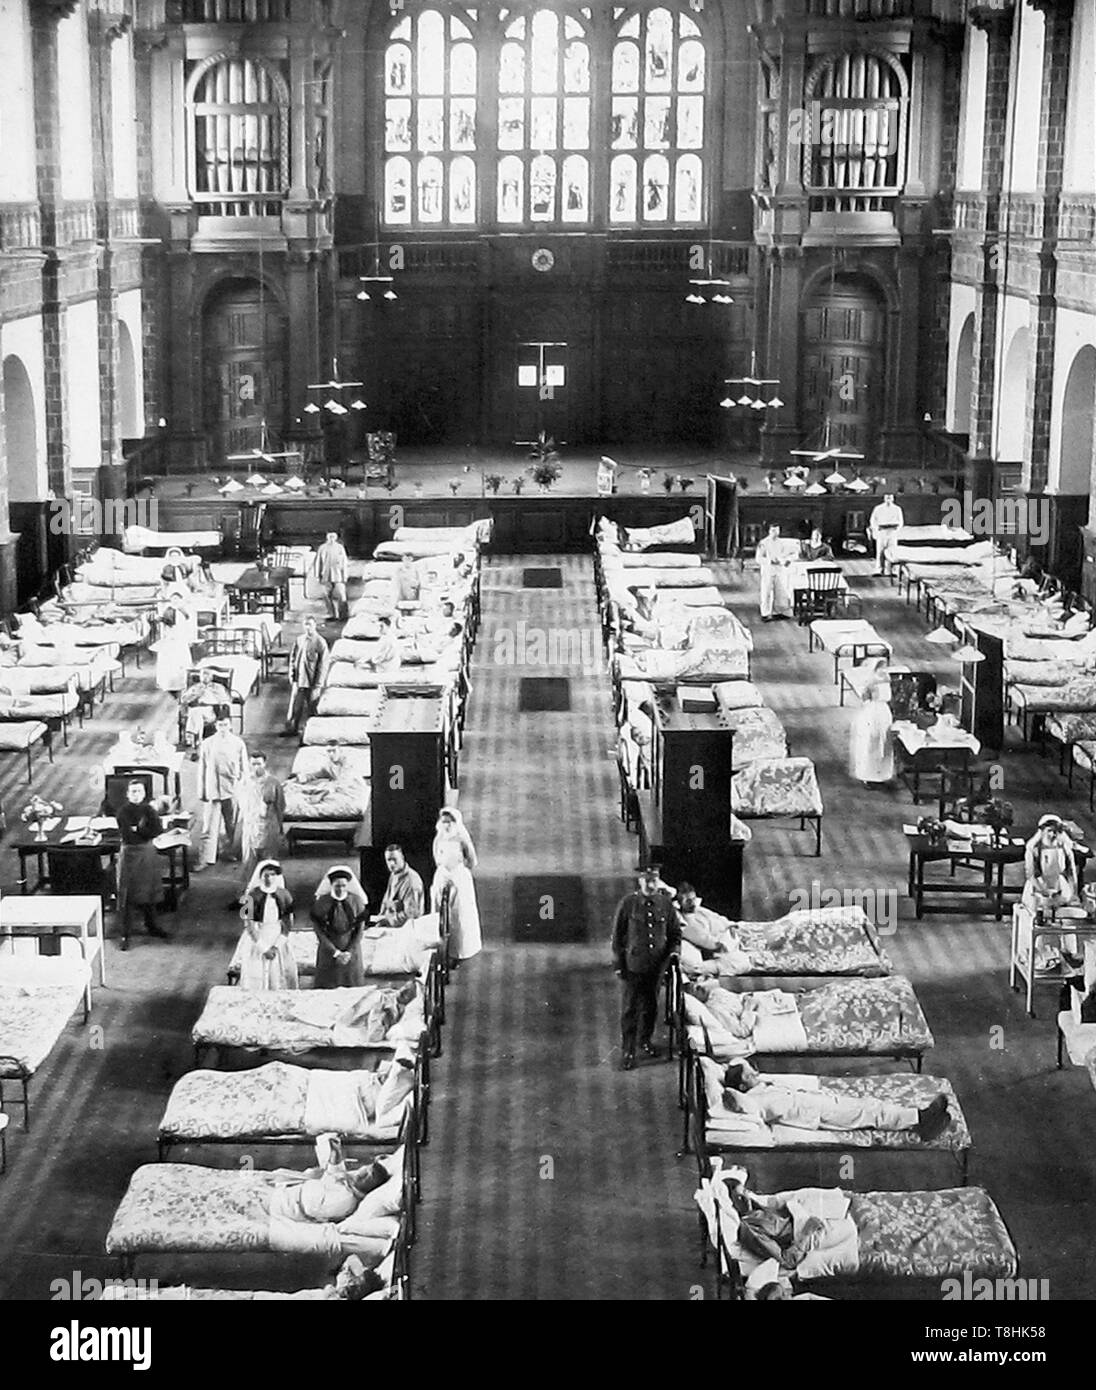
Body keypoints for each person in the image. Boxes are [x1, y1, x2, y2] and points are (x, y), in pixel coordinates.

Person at [723, 1060, 951, 1142]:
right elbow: (736, 1102)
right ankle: (921, 1119)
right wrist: (727, 1090)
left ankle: (919, 1116)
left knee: (867, 1104)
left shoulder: (762, 1085)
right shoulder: (752, 1100)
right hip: (815, 1113)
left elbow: (738, 1062)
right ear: (742, 1087)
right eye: (748, 1075)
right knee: (869, 1110)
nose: (754, 1073)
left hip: (816, 1102)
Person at [611, 864, 682, 1070]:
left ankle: (645, 1041)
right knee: (630, 1009)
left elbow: (675, 934)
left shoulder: (665, 904)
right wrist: (618, 964)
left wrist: (674, 954)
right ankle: (628, 1050)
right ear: (640, 881)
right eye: (647, 881)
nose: (651, 885)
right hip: (634, 966)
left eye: (654, 881)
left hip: (656, 967)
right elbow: (617, 937)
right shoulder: (628, 904)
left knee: (650, 1006)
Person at [193, 710, 248, 872]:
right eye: (219, 725)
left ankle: (227, 850)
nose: (223, 728)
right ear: (215, 726)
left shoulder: (238, 743)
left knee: (230, 824)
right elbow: (202, 768)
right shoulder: (208, 743)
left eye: (225, 725)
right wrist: (201, 790)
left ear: (230, 725)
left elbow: (244, 767)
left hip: (232, 789)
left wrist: (244, 788)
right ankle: (205, 858)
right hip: (212, 789)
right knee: (209, 825)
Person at [229, 859, 298, 990]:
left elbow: (288, 922)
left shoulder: (285, 895)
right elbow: (248, 925)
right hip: (258, 937)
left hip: (277, 937)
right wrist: (263, 947)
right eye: (266, 875)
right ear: (260, 876)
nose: (269, 878)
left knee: (278, 975)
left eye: (272, 875)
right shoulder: (251, 896)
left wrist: (277, 945)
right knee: (256, 975)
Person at [117, 779, 168, 948]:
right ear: (127, 794)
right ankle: (125, 933)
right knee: (127, 894)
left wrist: (138, 829)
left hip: (147, 854)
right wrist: (142, 832)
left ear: (144, 793)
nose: (136, 795)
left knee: (150, 892)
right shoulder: (123, 811)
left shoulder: (149, 810)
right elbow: (127, 835)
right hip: (130, 855)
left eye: (139, 791)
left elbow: (157, 830)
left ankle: (152, 925)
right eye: (133, 791)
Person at [431, 809, 482, 963]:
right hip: (443, 876)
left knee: (459, 914)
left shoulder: (462, 839)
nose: (446, 825)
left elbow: (472, 861)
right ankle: (439, 951)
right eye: (444, 821)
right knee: (438, 912)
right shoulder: (439, 838)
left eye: (450, 822)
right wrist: (444, 872)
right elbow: (436, 856)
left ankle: (459, 952)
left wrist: (457, 872)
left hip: (459, 878)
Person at [311, 866, 369, 988]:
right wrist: (335, 952)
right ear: (331, 885)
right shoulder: (322, 903)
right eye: (337, 886)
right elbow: (319, 931)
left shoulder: (356, 901)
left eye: (344, 886)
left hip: (351, 951)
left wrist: (348, 951)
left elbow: (359, 930)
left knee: (352, 986)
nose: (341, 889)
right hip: (328, 951)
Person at [236, 750, 286, 890]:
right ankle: (245, 896)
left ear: (264, 764)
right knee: (248, 863)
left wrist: (280, 828)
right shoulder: (245, 782)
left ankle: (272, 893)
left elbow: (280, 806)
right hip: (251, 826)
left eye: (258, 764)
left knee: (269, 863)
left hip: (269, 826)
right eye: (253, 764)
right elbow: (240, 804)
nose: (256, 767)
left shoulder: (273, 783)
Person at [1022, 814, 1080, 916]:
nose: (1052, 835)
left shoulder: (1064, 848)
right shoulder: (1033, 848)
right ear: (1042, 831)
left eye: (1055, 832)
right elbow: (1030, 874)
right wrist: (1043, 891)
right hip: (1038, 886)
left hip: (1059, 886)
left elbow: (1071, 871)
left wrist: (1073, 891)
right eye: (1049, 831)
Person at [849, 656, 894, 786]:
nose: (883, 670)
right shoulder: (871, 682)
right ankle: (867, 775)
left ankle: (882, 774)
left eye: (884, 667)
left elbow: (888, 696)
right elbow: (865, 697)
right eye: (880, 667)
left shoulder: (887, 679)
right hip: (872, 713)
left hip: (884, 712)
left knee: (883, 743)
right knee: (870, 743)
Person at [285, 615, 328, 736]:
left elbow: (323, 665)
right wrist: (292, 676)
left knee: (312, 708)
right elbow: (293, 659)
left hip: (312, 682)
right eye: (306, 625)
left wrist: (318, 684)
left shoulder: (320, 642)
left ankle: (312, 733)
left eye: (310, 624)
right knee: (295, 707)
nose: (308, 627)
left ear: (315, 625)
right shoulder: (299, 640)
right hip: (299, 681)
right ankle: (292, 729)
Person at [179, 667, 232, 757]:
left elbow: (226, 700)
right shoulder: (195, 687)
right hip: (197, 710)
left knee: (195, 713)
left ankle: (192, 740)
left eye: (207, 674)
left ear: (211, 677)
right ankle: (199, 746)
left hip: (211, 710)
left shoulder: (218, 687)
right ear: (199, 677)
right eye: (203, 674)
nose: (204, 677)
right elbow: (183, 700)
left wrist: (215, 695)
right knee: (196, 714)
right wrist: (194, 694)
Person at [375, 844, 425, 927]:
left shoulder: (412, 880)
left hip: (407, 929)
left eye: (394, 859)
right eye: (388, 860)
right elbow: (386, 902)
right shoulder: (394, 875)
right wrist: (380, 917)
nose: (391, 864)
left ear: (402, 857)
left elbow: (411, 915)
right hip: (391, 927)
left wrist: (387, 921)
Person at [150, 603, 195, 695]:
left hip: (175, 644)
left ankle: (173, 683)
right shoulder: (176, 622)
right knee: (174, 662)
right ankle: (174, 683)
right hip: (175, 644)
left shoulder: (178, 619)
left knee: (174, 663)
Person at [756, 523, 794, 622]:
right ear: (769, 531)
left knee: (781, 591)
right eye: (773, 530)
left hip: (780, 570)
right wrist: (769, 561)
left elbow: (791, 554)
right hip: (768, 570)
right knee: (766, 591)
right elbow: (758, 558)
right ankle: (765, 613)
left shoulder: (782, 543)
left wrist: (786, 560)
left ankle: (781, 611)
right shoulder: (764, 543)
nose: (775, 533)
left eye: (777, 530)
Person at [314, 531, 349, 621]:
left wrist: (345, 575)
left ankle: (343, 614)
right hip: (325, 575)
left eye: (333, 537)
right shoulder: (322, 548)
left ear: (336, 538)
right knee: (326, 595)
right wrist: (317, 575)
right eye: (330, 537)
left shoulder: (340, 548)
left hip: (338, 576)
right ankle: (332, 614)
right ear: (327, 537)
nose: (331, 539)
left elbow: (344, 562)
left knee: (341, 595)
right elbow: (318, 562)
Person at [868, 493, 904, 575]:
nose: (888, 499)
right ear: (884, 498)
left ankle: (891, 570)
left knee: (892, 551)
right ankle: (879, 569)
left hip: (892, 532)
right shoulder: (878, 508)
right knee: (880, 551)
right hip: (882, 532)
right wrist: (876, 528)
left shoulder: (897, 509)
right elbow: (873, 520)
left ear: (893, 498)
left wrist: (896, 529)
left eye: (890, 497)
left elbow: (901, 522)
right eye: (887, 497)